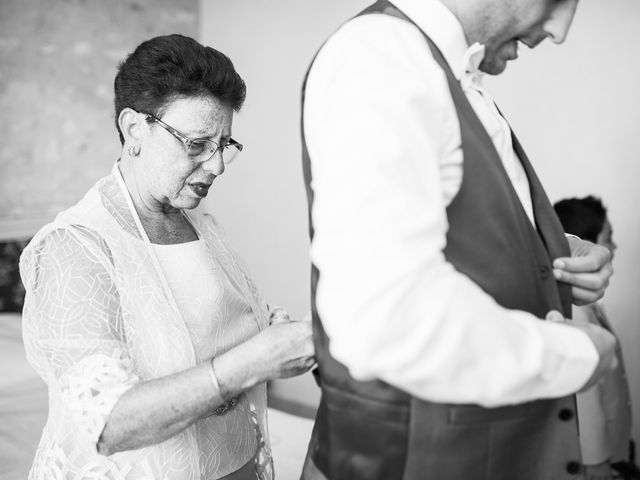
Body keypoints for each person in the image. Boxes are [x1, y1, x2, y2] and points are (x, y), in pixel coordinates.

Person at [300, 1, 617, 479]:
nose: (560, 29)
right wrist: (573, 355)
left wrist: (551, 247)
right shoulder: (381, 59)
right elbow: (387, 318)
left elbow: (451, 230)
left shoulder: (446, 71)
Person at [19, 34, 315, 480]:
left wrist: (284, 338)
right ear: (135, 129)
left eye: (224, 144)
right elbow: (108, 422)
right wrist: (255, 361)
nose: (216, 165)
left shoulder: (201, 225)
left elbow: (214, 329)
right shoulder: (73, 247)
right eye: (197, 144)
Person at [555, 196, 640, 480]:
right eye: (608, 237)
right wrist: (595, 459)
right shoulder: (575, 312)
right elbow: (585, 397)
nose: (614, 246)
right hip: (599, 460)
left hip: (615, 449)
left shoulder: (589, 304)